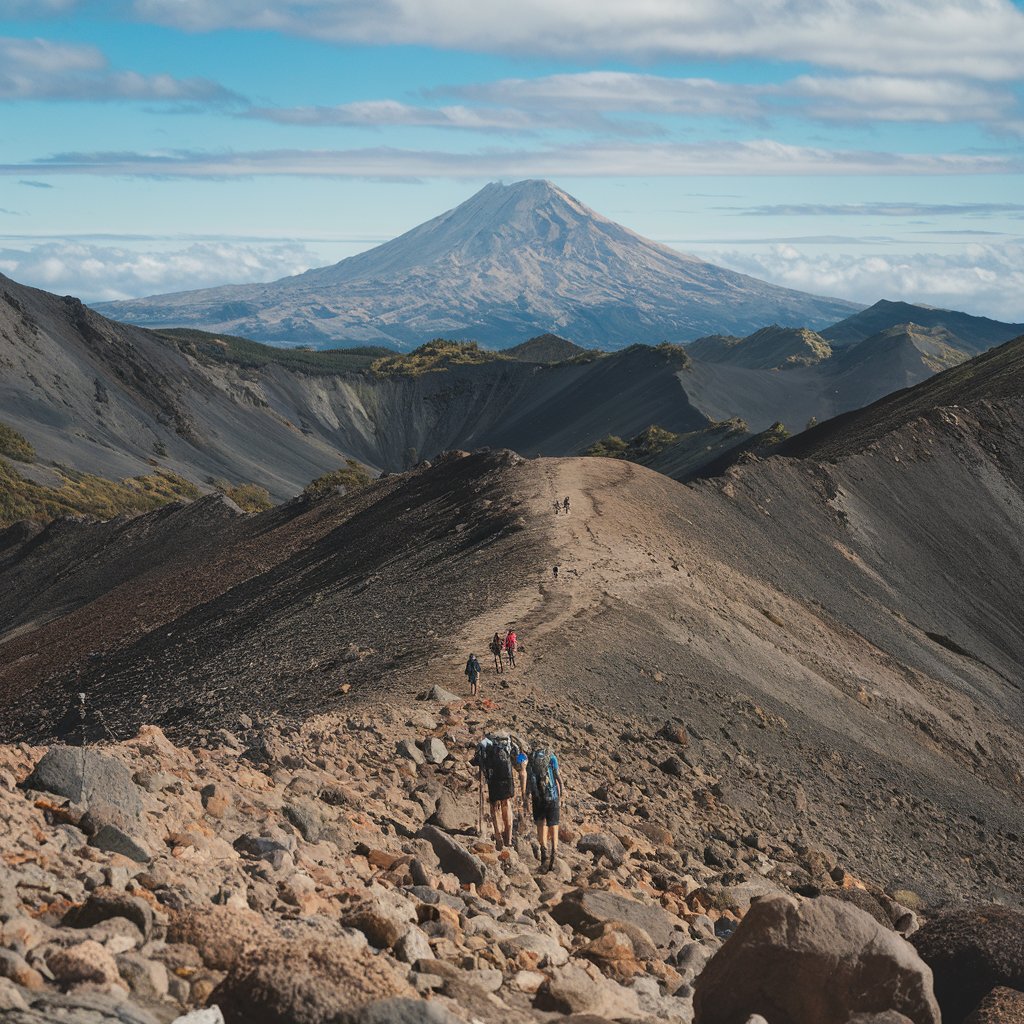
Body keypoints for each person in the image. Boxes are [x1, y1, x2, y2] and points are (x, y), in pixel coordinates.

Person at [470, 732, 525, 850]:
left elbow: (476, 760)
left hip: (493, 777)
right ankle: (509, 839)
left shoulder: (485, 743)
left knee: (494, 806)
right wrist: (523, 761)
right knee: (506, 803)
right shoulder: (509, 743)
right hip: (507, 777)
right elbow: (520, 761)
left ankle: (498, 836)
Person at [525, 742, 563, 872]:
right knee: (554, 824)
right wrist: (561, 794)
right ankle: (555, 850)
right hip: (552, 796)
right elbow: (558, 777)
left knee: (541, 824)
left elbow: (529, 780)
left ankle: (544, 851)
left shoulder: (531, 758)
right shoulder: (551, 756)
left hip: (537, 798)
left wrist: (526, 796)